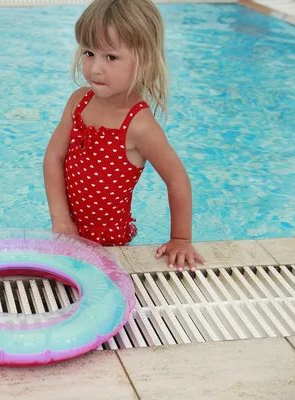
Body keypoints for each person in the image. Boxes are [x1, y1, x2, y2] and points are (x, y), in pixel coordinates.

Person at [43, 0, 206, 272]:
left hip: (110, 243)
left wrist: (180, 238)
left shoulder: (139, 125)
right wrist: (60, 220)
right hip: (66, 227)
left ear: (144, 59)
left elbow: (177, 180)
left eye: (111, 57)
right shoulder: (78, 102)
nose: (95, 68)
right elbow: (53, 157)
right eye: (89, 52)